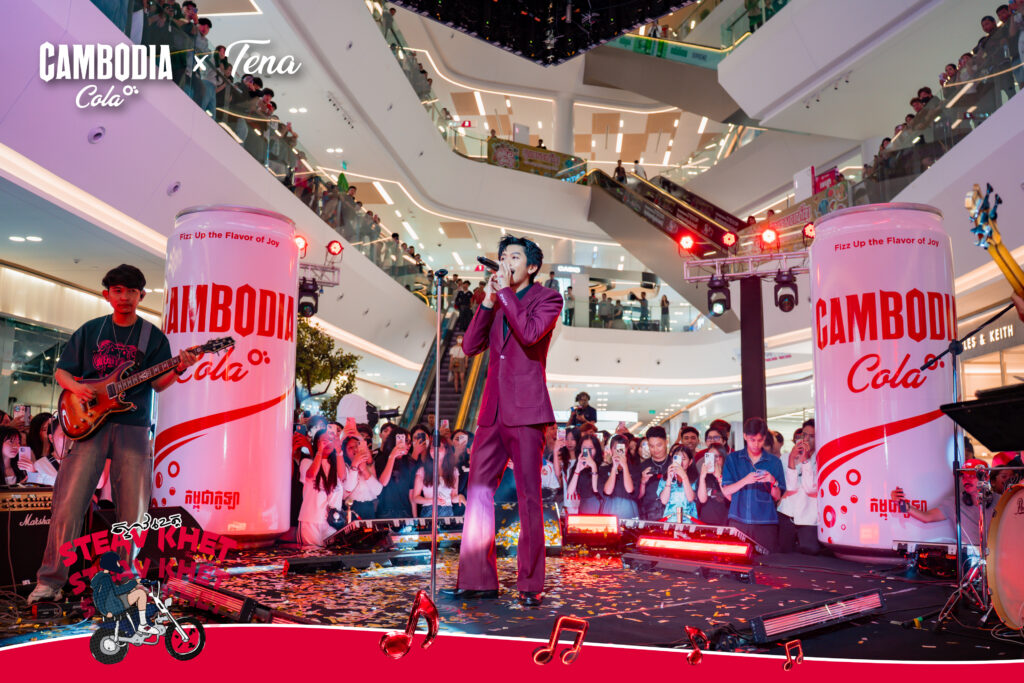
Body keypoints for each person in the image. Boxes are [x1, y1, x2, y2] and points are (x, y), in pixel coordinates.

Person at [29, 265, 199, 604]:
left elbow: (159, 383)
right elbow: (62, 373)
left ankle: (126, 581)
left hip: (134, 428)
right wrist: (78, 389)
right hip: (87, 425)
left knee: (133, 513)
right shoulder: (91, 330)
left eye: (131, 291)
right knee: (68, 505)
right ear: (107, 294)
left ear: (141, 295)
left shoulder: (152, 337)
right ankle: (49, 582)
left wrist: (180, 367)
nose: (124, 297)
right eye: (118, 290)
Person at [444, 235, 562, 607]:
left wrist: (506, 295)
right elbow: (469, 346)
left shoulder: (548, 299)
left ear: (532, 266)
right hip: (491, 412)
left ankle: (530, 584)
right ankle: (478, 579)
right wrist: (488, 302)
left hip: (527, 412)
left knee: (529, 498)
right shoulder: (495, 301)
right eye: (502, 256)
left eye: (514, 257)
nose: (505, 262)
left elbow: (529, 333)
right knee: (478, 492)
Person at [890, 459, 995, 547]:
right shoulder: (955, 503)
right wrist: (905, 506)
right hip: (968, 560)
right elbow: (927, 517)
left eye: (971, 476)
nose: (966, 480)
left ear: (986, 478)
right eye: (964, 476)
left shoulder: (1000, 502)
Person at [721, 417, 786, 553]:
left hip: (765, 523)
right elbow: (726, 490)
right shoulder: (733, 459)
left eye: (760, 440)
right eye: (752, 440)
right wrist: (745, 480)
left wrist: (772, 481)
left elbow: (777, 496)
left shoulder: (774, 462)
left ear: (764, 438)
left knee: (768, 562)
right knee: (737, 560)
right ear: (745, 436)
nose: (756, 444)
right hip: (738, 520)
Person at [298, 431, 356, 546]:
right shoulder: (307, 462)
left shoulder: (338, 464)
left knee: (331, 552)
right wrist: (320, 451)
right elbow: (311, 474)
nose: (328, 443)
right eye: (324, 440)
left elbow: (343, 477)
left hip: (332, 521)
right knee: (310, 553)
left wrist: (339, 451)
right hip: (311, 520)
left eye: (331, 440)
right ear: (317, 443)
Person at [90, 552, 159, 636]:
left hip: (113, 602)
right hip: (114, 606)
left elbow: (107, 593)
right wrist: (105, 612)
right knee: (140, 594)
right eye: (117, 562)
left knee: (135, 591)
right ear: (111, 563)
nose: (119, 564)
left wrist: (134, 584)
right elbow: (103, 596)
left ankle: (138, 624)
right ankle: (143, 625)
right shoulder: (105, 579)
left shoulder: (102, 577)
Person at [776, 419, 819, 554]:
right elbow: (791, 487)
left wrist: (805, 461)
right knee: (784, 556)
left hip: (808, 518)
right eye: (804, 435)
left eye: (812, 436)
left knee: (808, 557)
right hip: (786, 513)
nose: (806, 439)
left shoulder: (821, 459)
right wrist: (792, 460)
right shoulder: (786, 457)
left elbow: (810, 488)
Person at [412, 437, 462, 518]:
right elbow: (415, 498)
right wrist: (432, 501)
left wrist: (460, 497)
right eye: (432, 447)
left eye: (439, 447)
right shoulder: (422, 471)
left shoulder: (453, 471)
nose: (435, 450)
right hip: (429, 510)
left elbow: (453, 497)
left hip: (447, 510)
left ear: (446, 450)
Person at [377, 427, 417, 518]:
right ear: (394, 440)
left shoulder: (411, 463)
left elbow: (411, 494)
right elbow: (383, 482)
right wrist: (392, 456)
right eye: (405, 441)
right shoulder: (382, 459)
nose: (408, 445)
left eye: (410, 442)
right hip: (385, 512)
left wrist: (415, 519)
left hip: (405, 512)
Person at [599, 434, 641, 518]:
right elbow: (607, 491)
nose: (618, 451)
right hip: (609, 511)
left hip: (629, 511)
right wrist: (614, 467)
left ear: (626, 449)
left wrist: (625, 466)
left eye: (622, 448)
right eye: (615, 448)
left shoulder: (634, 469)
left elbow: (630, 490)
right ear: (611, 449)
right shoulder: (604, 469)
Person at [638, 426, 672, 520]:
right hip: (648, 514)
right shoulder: (643, 466)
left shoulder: (674, 464)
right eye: (651, 446)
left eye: (659, 445)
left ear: (666, 442)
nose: (655, 449)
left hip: (671, 514)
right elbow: (637, 496)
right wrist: (642, 482)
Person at [658, 444, 698, 522]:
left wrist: (684, 477)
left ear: (690, 462)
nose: (680, 462)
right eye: (677, 458)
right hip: (669, 520)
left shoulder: (695, 478)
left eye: (683, 459)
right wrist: (669, 479)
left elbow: (690, 498)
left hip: (689, 521)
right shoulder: (665, 478)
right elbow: (664, 501)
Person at [568, 434, 603, 513]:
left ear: (596, 449)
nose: (587, 451)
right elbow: (570, 492)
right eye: (584, 448)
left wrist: (593, 466)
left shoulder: (603, 466)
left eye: (590, 448)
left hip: (600, 507)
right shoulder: (578, 466)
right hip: (584, 507)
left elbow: (597, 490)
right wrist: (577, 470)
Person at [697, 444, 731, 525]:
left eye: (716, 456)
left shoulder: (729, 475)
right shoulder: (704, 477)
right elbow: (702, 499)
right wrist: (702, 477)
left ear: (723, 457)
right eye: (709, 457)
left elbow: (730, 497)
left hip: (725, 524)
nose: (713, 460)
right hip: (705, 524)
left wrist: (719, 477)